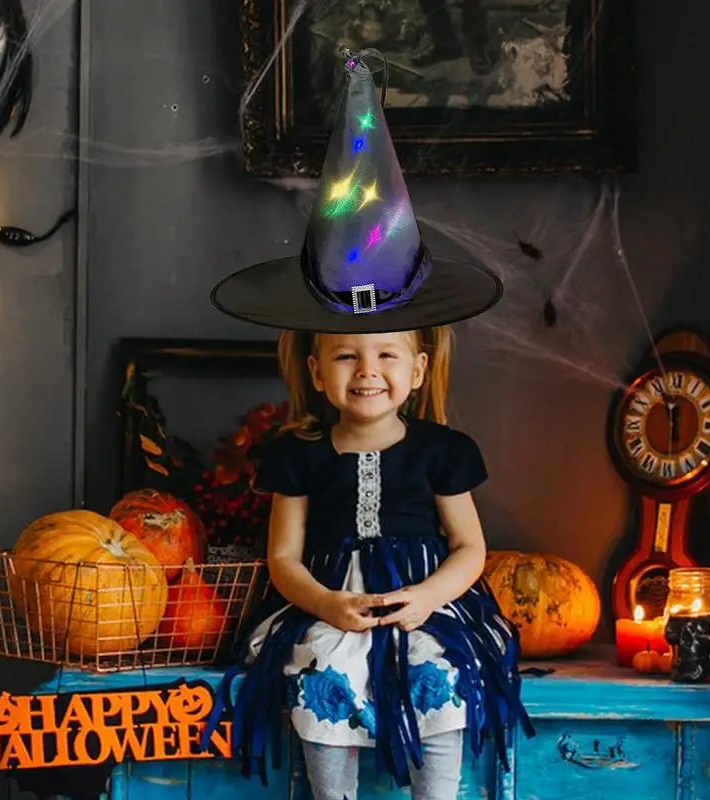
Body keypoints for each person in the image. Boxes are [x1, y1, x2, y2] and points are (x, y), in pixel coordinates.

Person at [200, 47, 533, 797]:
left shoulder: (443, 451)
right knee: (319, 681)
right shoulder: (298, 455)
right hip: (333, 605)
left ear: (419, 368)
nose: (368, 371)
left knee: (441, 679)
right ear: (316, 372)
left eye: (387, 355)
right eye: (345, 357)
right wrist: (323, 603)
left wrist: (428, 598)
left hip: (424, 603)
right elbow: (283, 555)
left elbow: (470, 546)